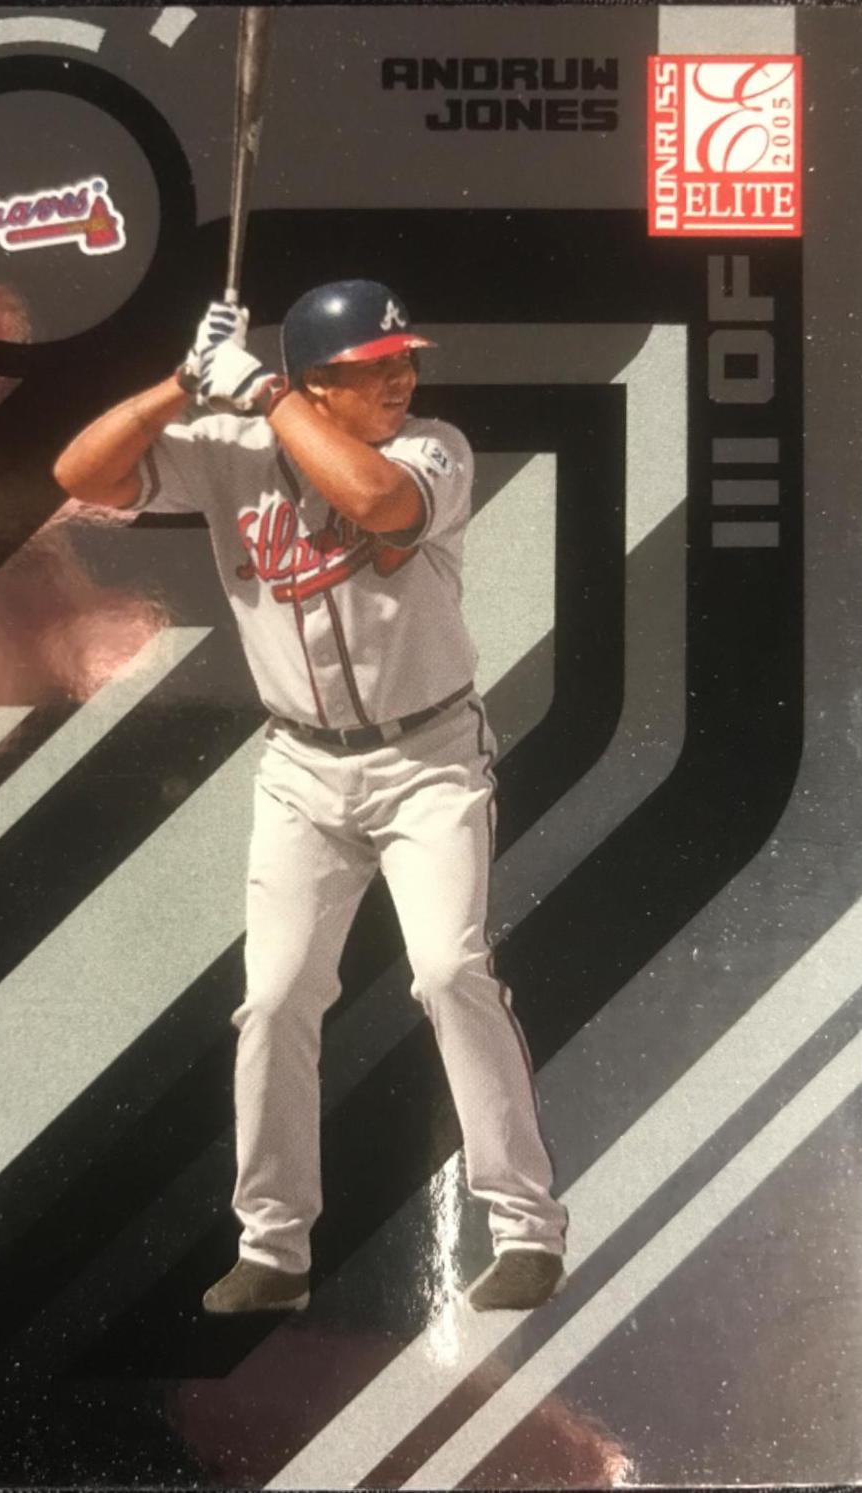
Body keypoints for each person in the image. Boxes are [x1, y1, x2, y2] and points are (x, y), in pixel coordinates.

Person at [53, 280, 568, 1313]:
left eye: (404, 360)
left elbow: (377, 504)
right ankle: (274, 1248)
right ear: (318, 380)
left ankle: (526, 1226)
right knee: (276, 996)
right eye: (375, 368)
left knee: (448, 971)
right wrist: (180, 385)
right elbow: (79, 474)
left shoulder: (433, 448)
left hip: (429, 759)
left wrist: (264, 394)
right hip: (299, 769)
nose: (401, 378)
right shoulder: (229, 448)